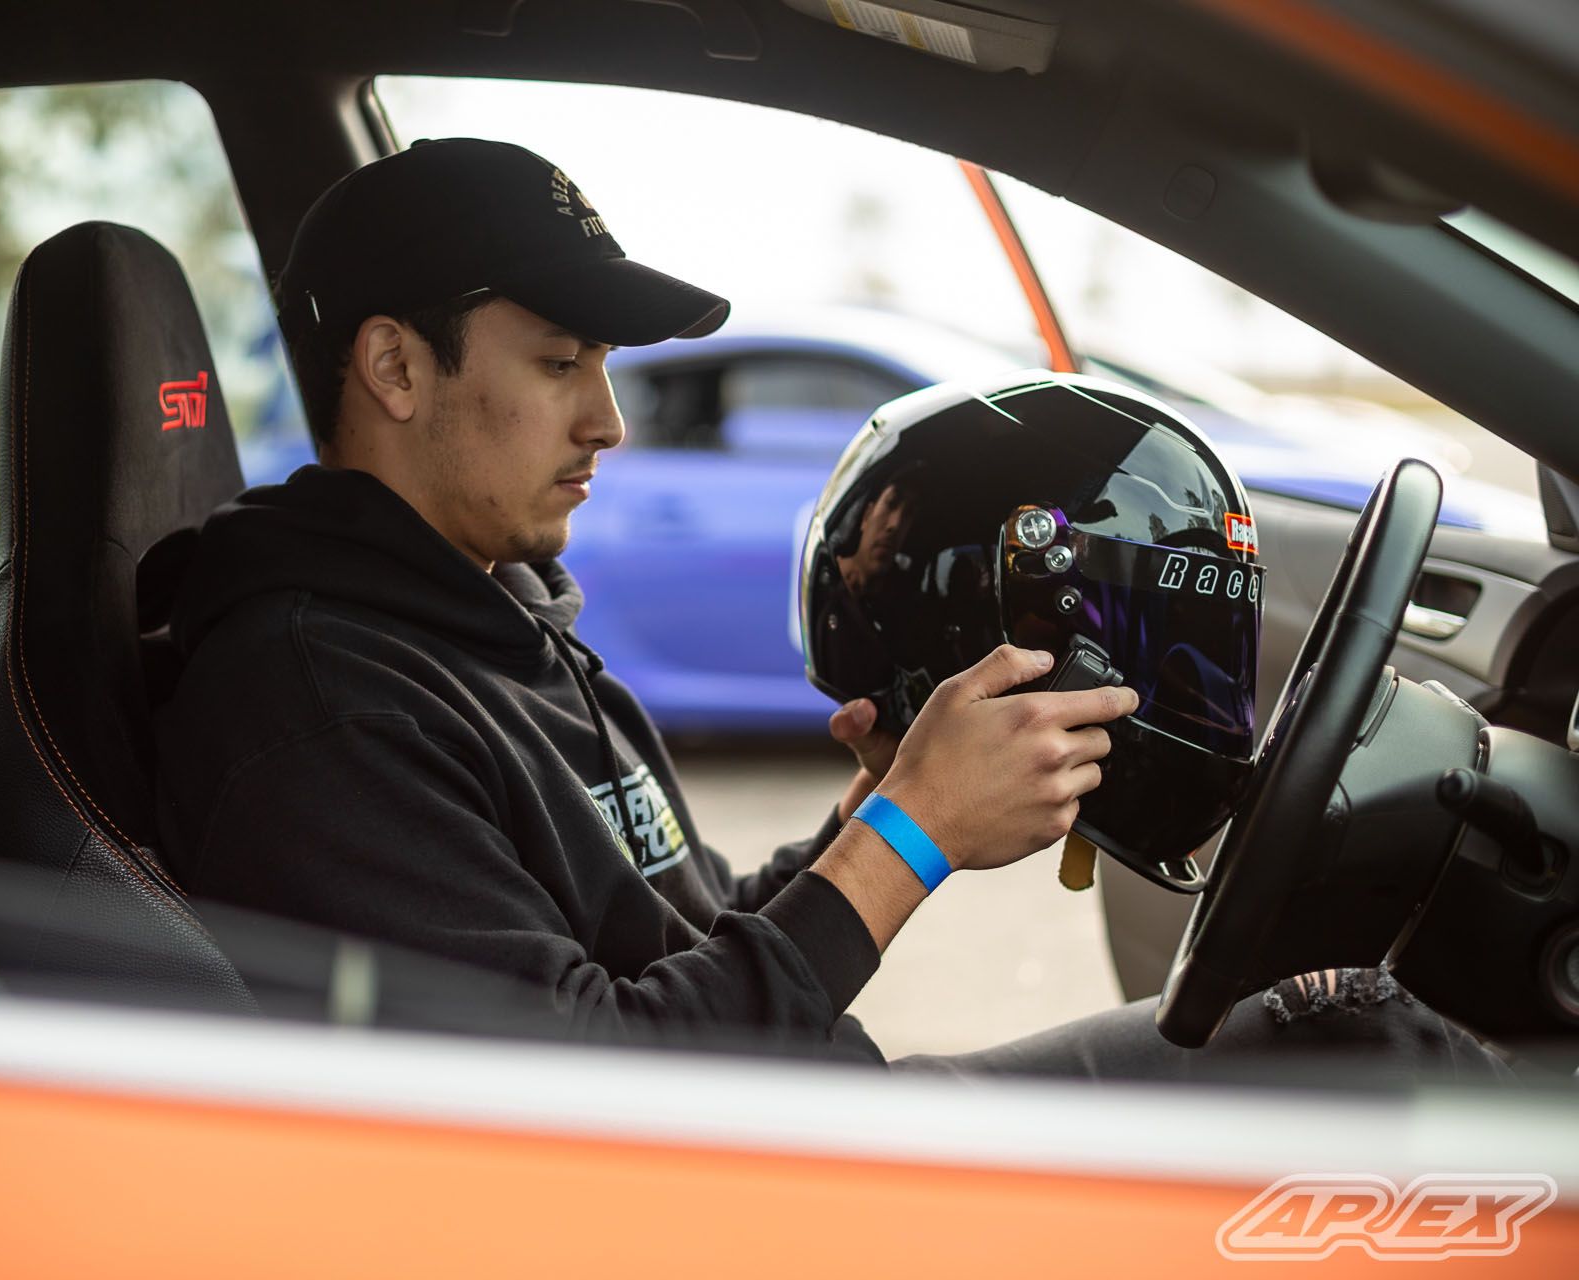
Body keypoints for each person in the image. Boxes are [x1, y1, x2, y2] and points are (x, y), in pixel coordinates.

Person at [153, 138, 1504, 1079]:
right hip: (747, 1199)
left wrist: (866, 814)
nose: (609, 420)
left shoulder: (485, 623)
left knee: (1330, 1021)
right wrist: (906, 842)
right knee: (1353, 1042)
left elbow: (672, 937)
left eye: (604, 367)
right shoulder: (317, 698)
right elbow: (584, 1088)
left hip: (804, 1127)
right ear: (393, 366)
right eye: (561, 362)